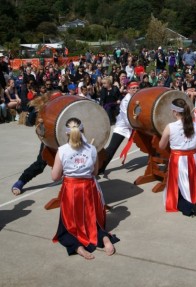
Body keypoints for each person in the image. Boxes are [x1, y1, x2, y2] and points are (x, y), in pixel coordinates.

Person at [51, 117, 119, 259]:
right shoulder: (92, 149)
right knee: (92, 219)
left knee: (69, 224)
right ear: (83, 131)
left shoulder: (62, 150)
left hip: (71, 189)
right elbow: (95, 172)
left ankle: (78, 246)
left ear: (66, 133)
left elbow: (55, 176)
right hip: (88, 188)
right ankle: (105, 239)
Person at [159, 98, 196, 221]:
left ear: (175, 112)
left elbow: (161, 146)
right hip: (194, 158)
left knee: (179, 193)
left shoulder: (170, 127)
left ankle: (193, 207)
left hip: (178, 160)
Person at [11, 91, 63, 195]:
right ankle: (20, 182)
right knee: (40, 164)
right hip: (49, 140)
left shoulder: (66, 108)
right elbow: (30, 122)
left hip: (65, 141)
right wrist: (37, 115)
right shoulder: (44, 109)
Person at [99, 82, 139, 174]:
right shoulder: (125, 101)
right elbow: (127, 119)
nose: (136, 90)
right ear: (128, 90)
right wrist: (136, 126)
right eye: (133, 88)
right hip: (123, 127)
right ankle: (99, 168)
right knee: (112, 148)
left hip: (133, 126)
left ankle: (155, 159)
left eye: (137, 88)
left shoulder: (137, 98)